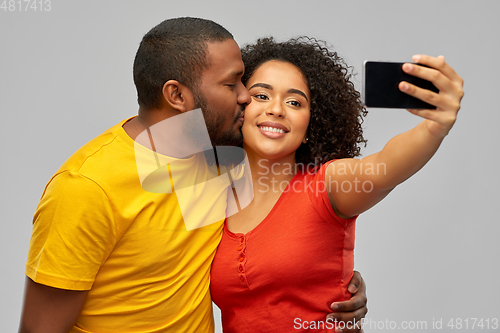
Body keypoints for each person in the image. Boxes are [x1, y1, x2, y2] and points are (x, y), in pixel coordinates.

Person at [19, 18, 367, 333]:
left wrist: (330, 287)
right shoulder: (87, 187)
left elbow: (286, 235)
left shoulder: (222, 159)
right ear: (177, 95)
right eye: (232, 85)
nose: (246, 97)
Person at [210, 37, 464, 332]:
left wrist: (435, 127)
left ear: (309, 126)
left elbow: (383, 168)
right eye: (262, 96)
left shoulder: (328, 184)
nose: (276, 109)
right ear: (239, 106)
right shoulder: (212, 193)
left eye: (295, 102)